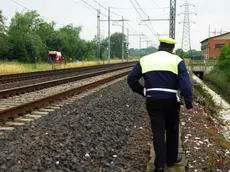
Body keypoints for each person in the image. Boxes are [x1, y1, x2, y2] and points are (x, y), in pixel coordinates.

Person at [127, 38, 193, 172]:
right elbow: (185, 84)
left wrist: (143, 91)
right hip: (171, 100)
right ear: (172, 49)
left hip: (153, 100)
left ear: (159, 46)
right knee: (172, 129)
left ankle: (159, 165)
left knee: (158, 131)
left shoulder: (145, 60)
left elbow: (131, 79)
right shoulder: (177, 60)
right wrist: (188, 102)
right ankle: (172, 158)